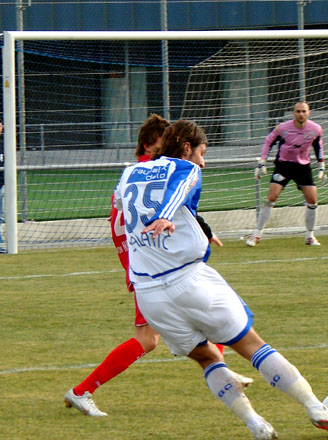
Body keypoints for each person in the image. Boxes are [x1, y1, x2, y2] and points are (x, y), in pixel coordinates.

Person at [112, 119, 328, 440]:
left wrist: (177, 222)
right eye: (202, 153)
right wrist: (164, 215)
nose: (203, 162)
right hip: (188, 279)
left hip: (149, 295)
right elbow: (179, 187)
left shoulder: (130, 172)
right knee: (252, 345)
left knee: (207, 358)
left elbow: (123, 206)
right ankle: (315, 408)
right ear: (187, 148)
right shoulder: (186, 168)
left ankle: (255, 424)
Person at [64, 114, 252, 417]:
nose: (171, 149)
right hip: (151, 267)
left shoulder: (137, 172)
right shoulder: (151, 172)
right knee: (150, 338)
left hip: (144, 262)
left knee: (195, 315)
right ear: (153, 143)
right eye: (167, 141)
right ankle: (82, 390)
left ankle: (223, 372)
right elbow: (166, 208)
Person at [245, 101, 326, 247]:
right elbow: (268, 141)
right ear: (293, 113)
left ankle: (310, 236)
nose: (301, 114)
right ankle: (256, 234)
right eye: (298, 111)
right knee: (271, 198)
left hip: (303, 167)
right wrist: (262, 161)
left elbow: (318, 147)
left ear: (309, 113)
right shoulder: (283, 128)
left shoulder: (315, 129)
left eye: (304, 111)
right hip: (284, 166)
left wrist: (322, 166)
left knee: (312, 200)